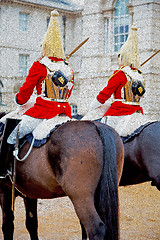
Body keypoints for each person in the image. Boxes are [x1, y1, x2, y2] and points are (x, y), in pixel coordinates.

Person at [0, 10, 74, 179]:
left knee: (12, 134)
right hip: (64, 113)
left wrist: (19, 99)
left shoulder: (40, 65)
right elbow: (68, 92)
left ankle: (4, 171)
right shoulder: (68, 69)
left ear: (46, 47)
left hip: (43, 112)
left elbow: (25, 93)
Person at [83, 26, 146, 135]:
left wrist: (93, 106)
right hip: (137, 111)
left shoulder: (120, 73)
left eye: (120, 58)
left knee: (102, 135)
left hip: (119, 112)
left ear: (124, 58)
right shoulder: (139, 75)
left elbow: (106, 93)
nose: (119, 61)